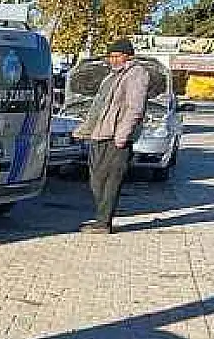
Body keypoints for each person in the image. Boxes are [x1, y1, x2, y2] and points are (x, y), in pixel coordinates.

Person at [73, 39, 150, 234]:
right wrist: (84, 129)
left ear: (128, 56)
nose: (113, 60)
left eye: (117, 56)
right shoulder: (111, 77)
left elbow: (135, 108)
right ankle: (102, 216)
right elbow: (98, 106)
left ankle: (103, 222)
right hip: (100, 134)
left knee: (110, 179)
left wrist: (122, 136)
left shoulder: (136, 74)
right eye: (111, 56)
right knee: (96, 178)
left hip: (116, 137)